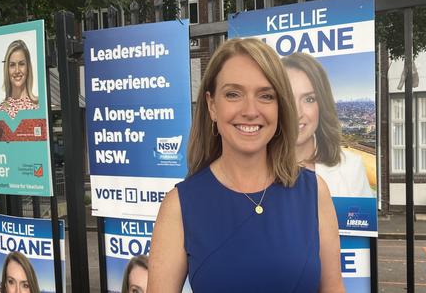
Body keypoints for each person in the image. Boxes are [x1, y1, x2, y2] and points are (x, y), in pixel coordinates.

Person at [148, 38, 344, 292]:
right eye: (233, 94)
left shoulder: (314, 192)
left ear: (279, 107)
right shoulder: (179, 205)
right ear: (211, 105)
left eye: (265, 95)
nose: (250, 110)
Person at [282, 53, 374, 198]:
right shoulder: (252, 168)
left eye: (309, 99)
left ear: (322, 105)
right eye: (287, 98)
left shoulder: (351, 167)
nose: (297, 113)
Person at [0, 40, 39, 119]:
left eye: (21, 64)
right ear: (7, 69)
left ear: (28, 67)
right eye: (12, 65)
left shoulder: (38, 107)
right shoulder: (1, 110)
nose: (17, 71)